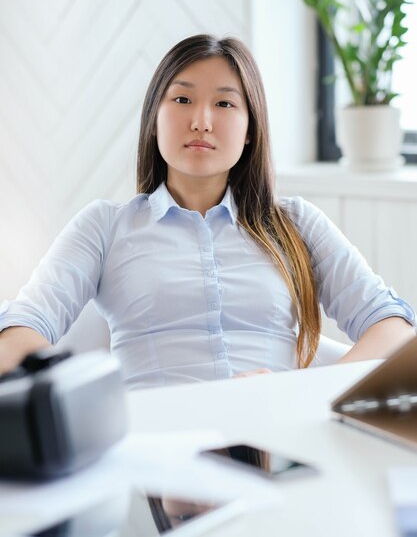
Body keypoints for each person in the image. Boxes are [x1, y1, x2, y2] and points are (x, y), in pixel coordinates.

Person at [0, 34, 415, 387]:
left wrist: (306, 393)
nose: (201, 121)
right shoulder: (105, 225)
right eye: (182, 99)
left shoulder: (296, 223)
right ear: (154, 119)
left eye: (224, 104)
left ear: (251, 129)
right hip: (159, 454)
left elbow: (394, 329)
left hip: (276, 440)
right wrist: (89, 401)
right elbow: (17, 332)